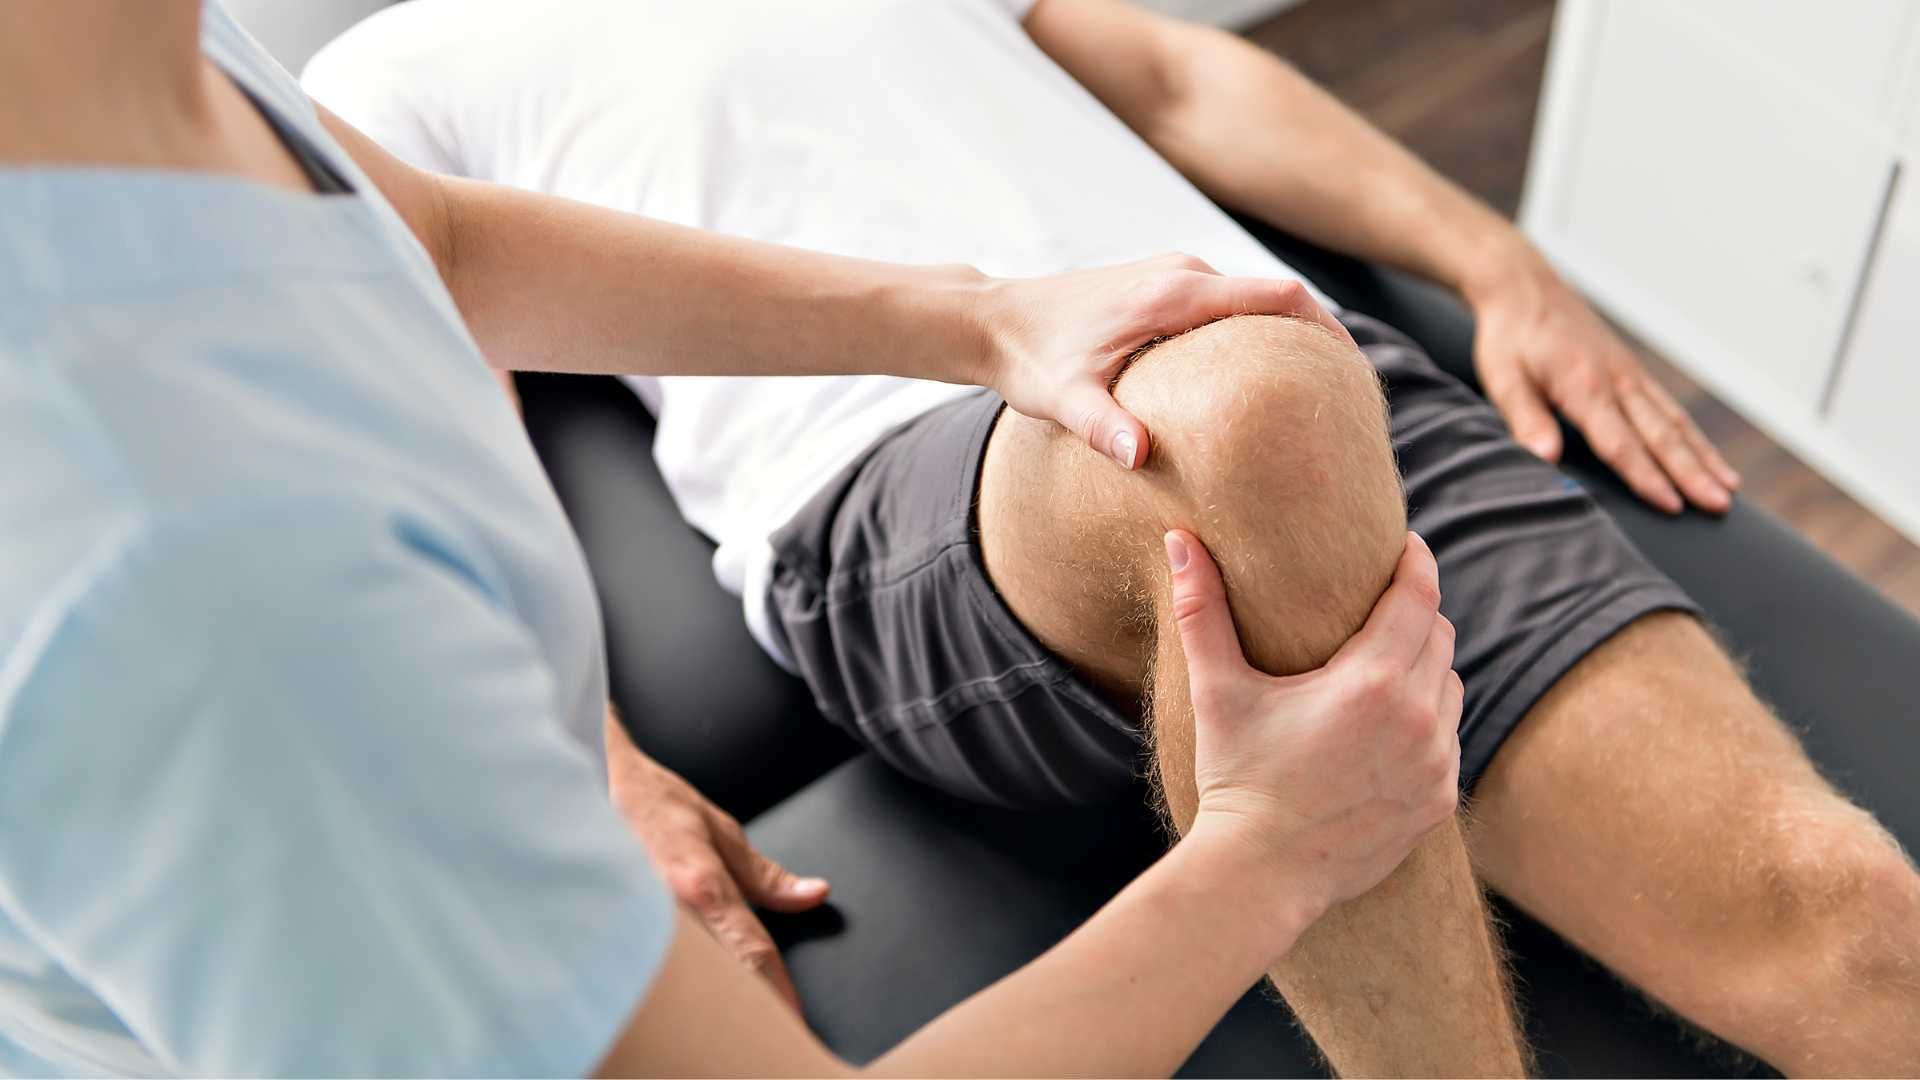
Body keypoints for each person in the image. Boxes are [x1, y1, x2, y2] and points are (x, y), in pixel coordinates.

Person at [305, 0, 1920, 1075]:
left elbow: (1174, 77)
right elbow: (432, 409)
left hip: (1310, 392)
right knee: (1245, 408)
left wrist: (1497, 258)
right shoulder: (393, 73)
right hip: (915, 494)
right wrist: (588, 756)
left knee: (1860, 931)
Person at [0, 1, 1466, 1075]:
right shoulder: (191, 581)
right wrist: (1274, 853)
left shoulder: (134, 56)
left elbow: (437, 242)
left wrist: (980, 320)